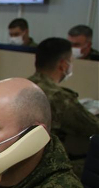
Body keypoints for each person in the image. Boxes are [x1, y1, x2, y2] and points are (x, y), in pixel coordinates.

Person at [28, 37, 99, 177]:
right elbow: (94, 127)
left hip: (24, 162)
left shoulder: (23, 85)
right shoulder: (59, 98)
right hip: (45, 168)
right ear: (63, 65)